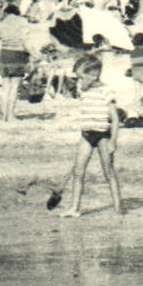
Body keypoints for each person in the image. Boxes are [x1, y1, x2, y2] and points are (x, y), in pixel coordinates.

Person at [50, 56, 123, 218]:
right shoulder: (83, 90)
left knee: (108, 171)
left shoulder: (106, 91)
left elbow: (115, 119)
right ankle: (75, 208)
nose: (79, 81)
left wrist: (113, 141)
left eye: (81, 77)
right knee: (78, 171)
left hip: (103, 135)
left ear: (94, 75)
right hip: (86, 134)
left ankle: (118, 209)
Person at [0, 2, 31, 122]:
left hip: (4, 55)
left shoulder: (0, 25)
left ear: (6, 13)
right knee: (14, 87)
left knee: (5, 87)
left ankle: (4, 116)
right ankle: (11, 115)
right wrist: (34, 55)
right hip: (18, 55)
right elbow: (26, 42)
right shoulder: (23, 22)